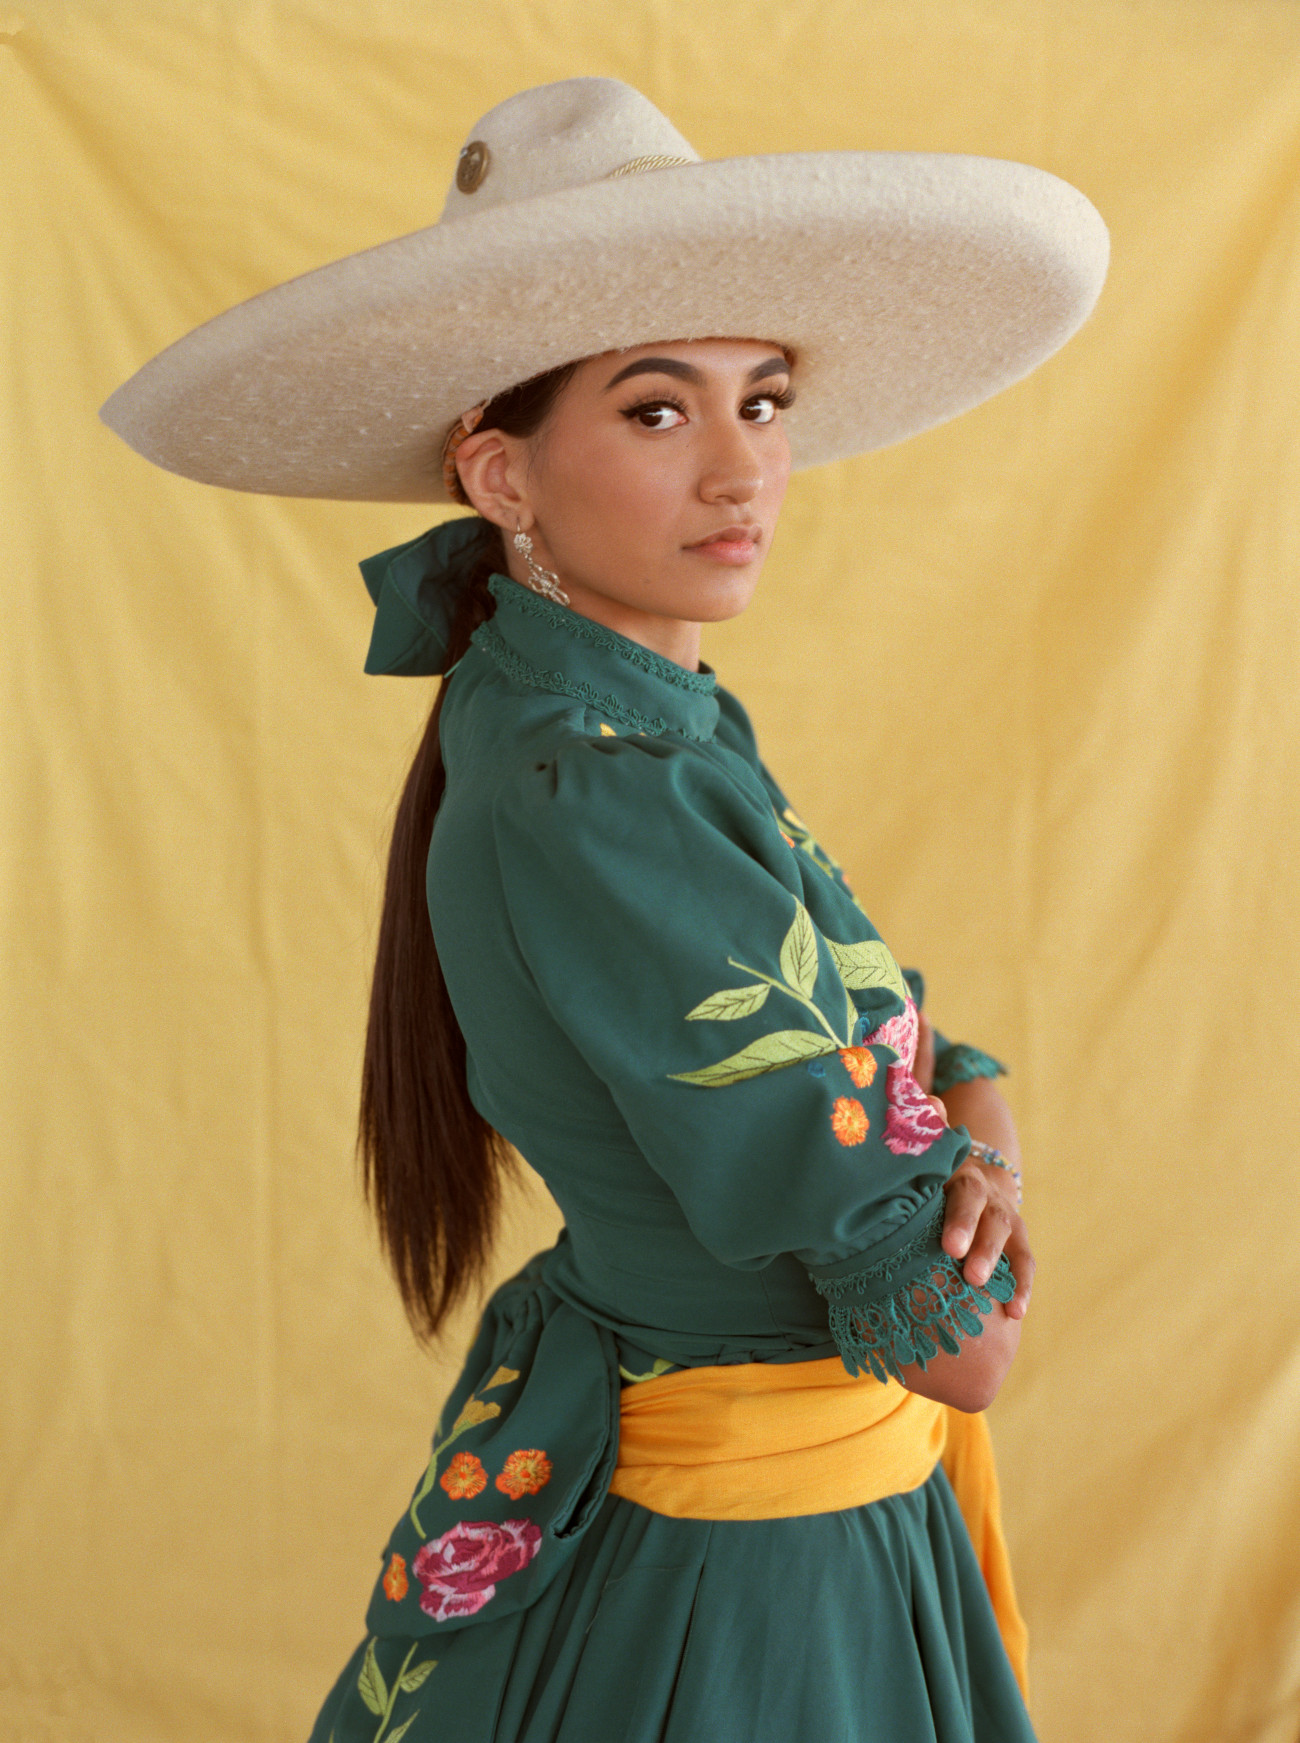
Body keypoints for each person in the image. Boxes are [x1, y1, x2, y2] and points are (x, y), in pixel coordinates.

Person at [101, 76, 1107, 1743]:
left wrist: (960, 1133)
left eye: (765, 399)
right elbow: (959, 1340)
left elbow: (911, 1057)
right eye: (657, 412)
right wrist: (973, 1138)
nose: (744, 472)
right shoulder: (599, 791)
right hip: (756, 1581)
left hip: (755, 1510)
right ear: (500, 473)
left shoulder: (618, 728)